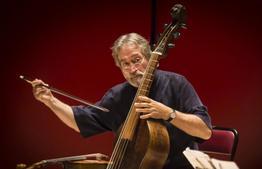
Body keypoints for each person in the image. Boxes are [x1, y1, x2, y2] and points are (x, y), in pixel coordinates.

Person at [32, 32, 212, 169]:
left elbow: (205, 132)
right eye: (125, 64)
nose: (133, 68)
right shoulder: (117, 95)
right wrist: (50, 101)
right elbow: (80, 120)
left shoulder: (176, 83)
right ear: (120, 68)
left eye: (137, 60)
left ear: (150, 59)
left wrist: (169, 113)